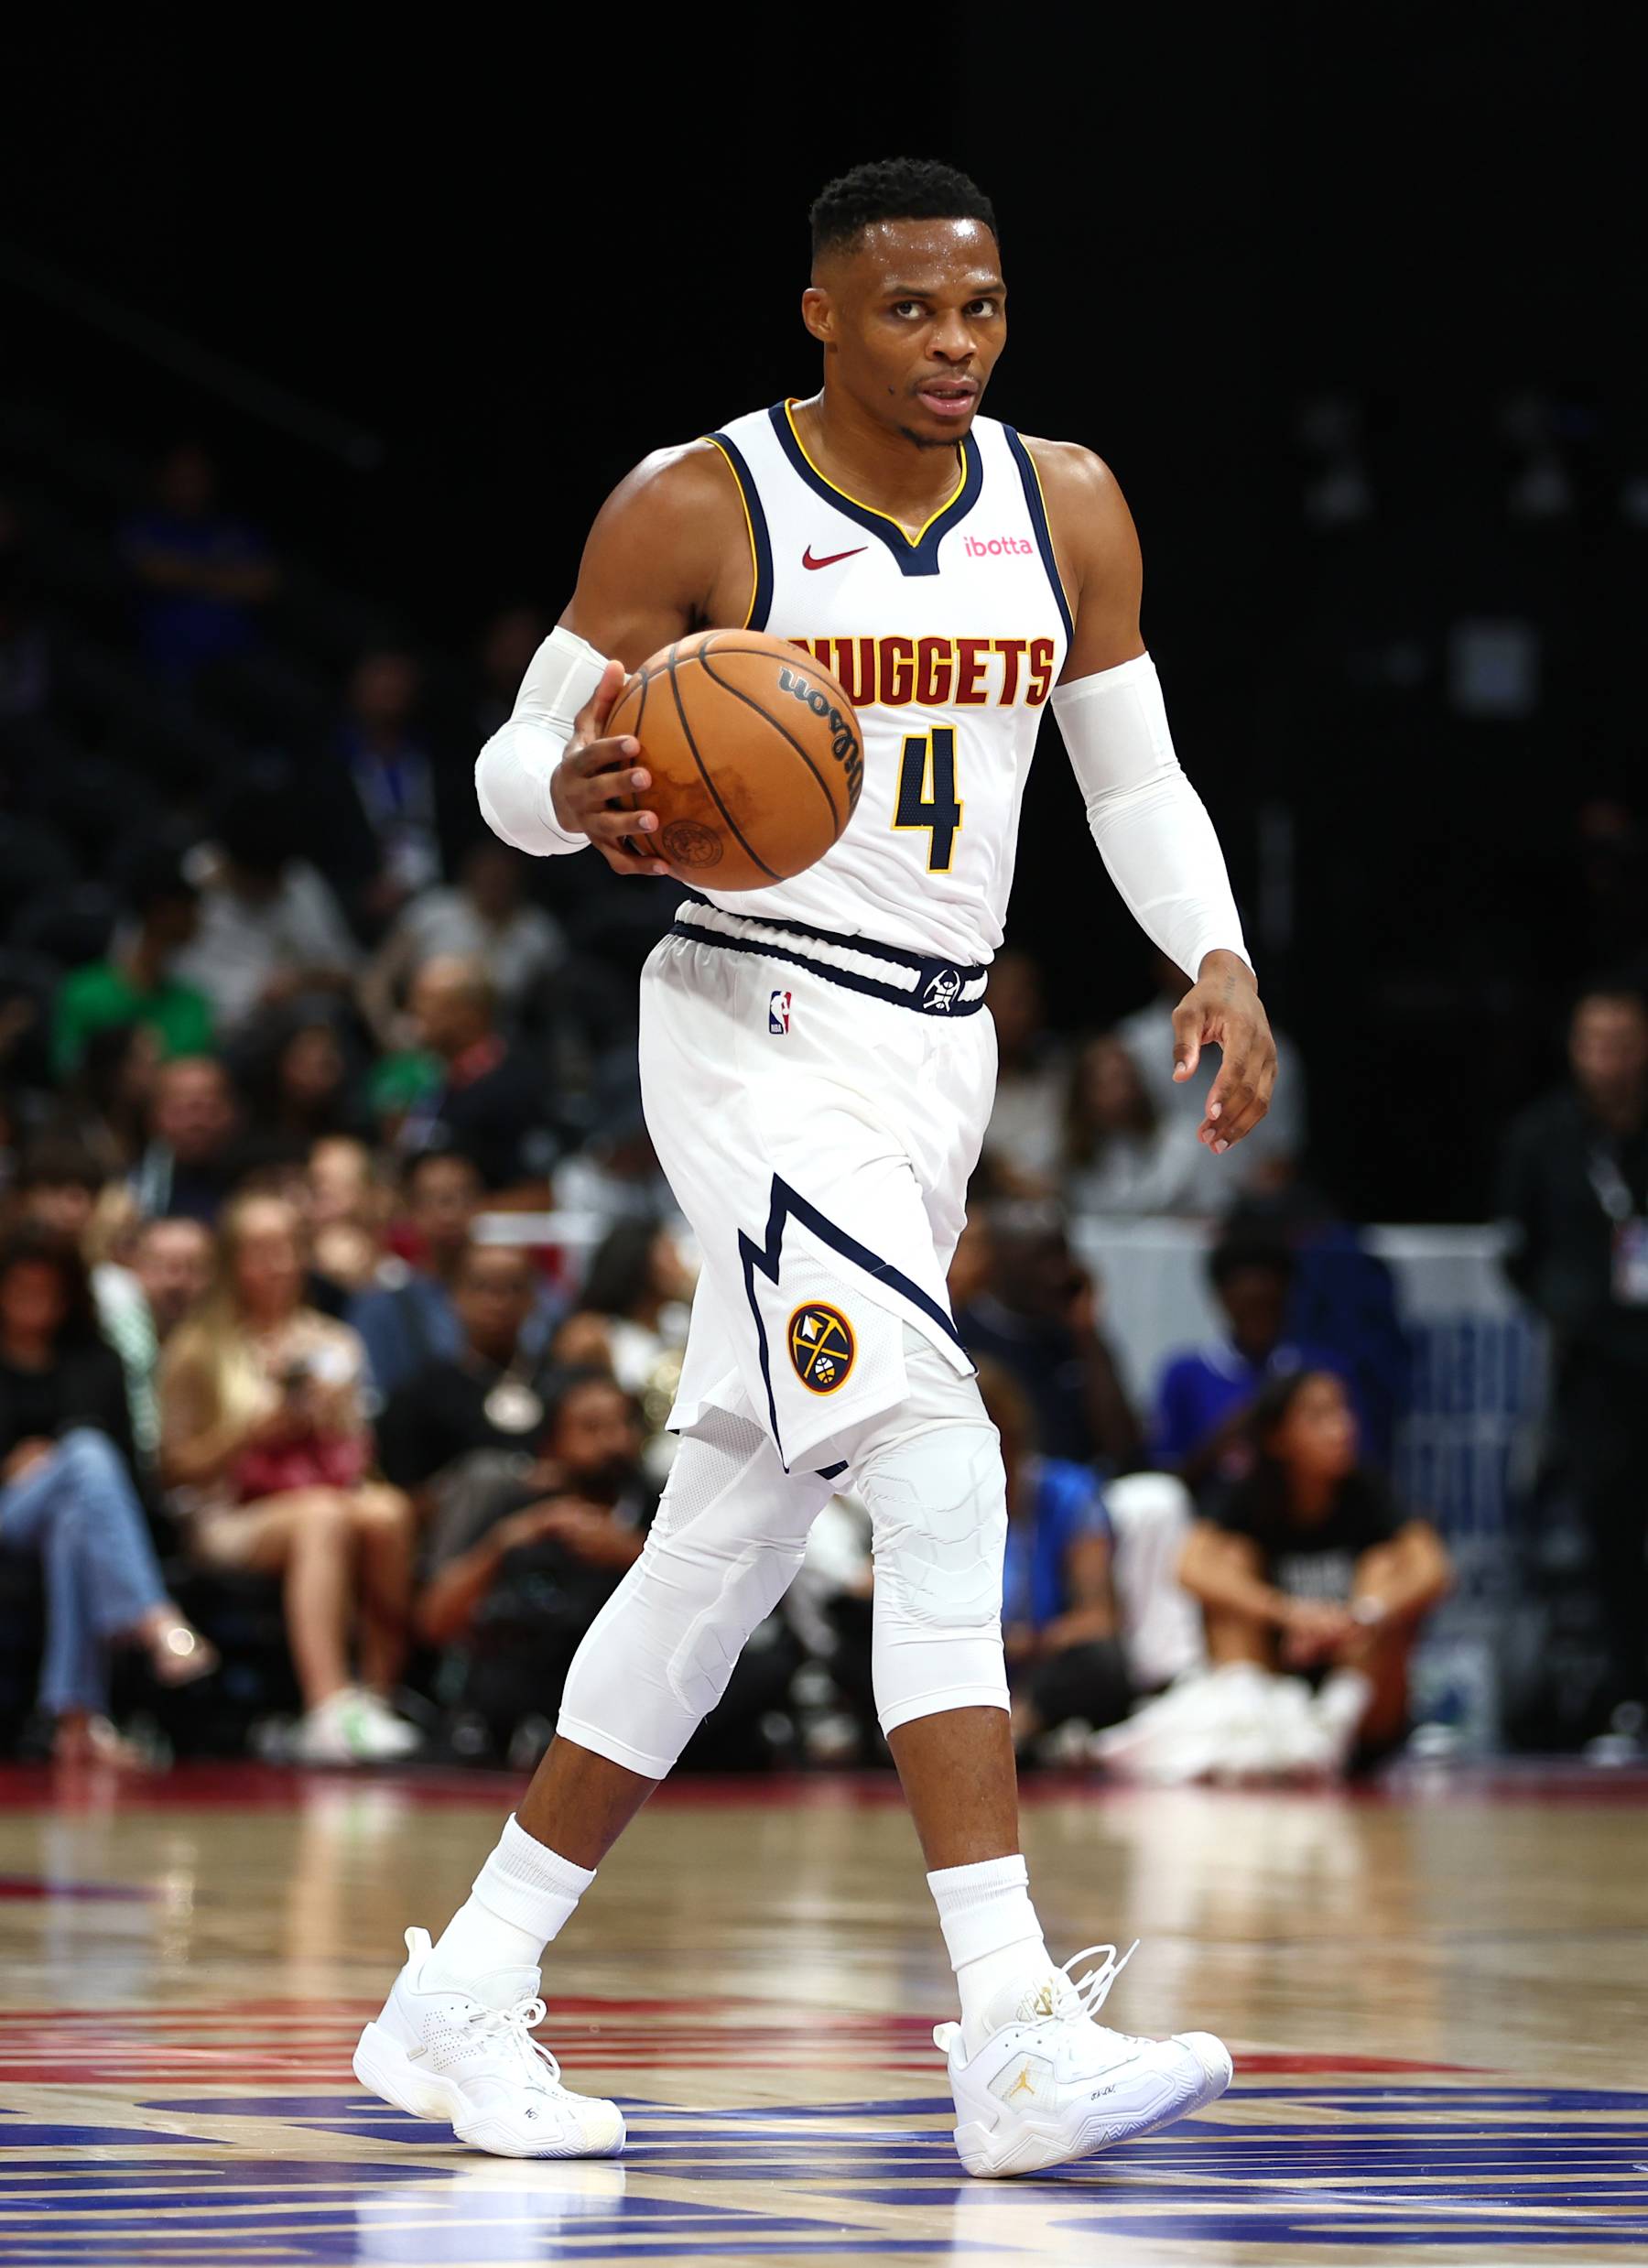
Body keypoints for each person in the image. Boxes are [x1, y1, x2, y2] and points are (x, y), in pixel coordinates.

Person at [355, 156, 1275, 2176]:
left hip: (938, 1052)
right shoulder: (699, 502)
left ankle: (463, 1986)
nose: (956, 348)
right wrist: (569, 783)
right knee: (939, 1464)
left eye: (983, 312)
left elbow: (1133, 770)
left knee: (732, 1536)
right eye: (913, 313)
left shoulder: (1074, 502)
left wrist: (1213, 949)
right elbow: (515, 762)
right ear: (824, 316)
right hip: (756, 1018)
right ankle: (1010, 2021)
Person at [157, 1192, 420, 1763]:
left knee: (388, 1512)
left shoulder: (334, 1342)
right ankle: (327, 1706)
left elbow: (360, 1453)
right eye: (259, 1250)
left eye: (287, 1247)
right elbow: (173, 1467)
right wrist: (252, 1434)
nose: (276, 1262)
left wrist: (327, 1420)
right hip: (227, 1511)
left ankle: (374, 1698)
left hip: (319, 1489)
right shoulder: (197, 1349)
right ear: (231, 1263)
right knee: (323, 1516)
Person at [0, 1226, 215, 1765]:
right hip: (7, 1509)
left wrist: (59, 1464)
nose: (34, 1303)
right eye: (20, 1289)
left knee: (78, 1504)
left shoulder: (96, 1360)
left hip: (73, 1512)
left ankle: (75, 1722)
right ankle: (156, 1620)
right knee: (86, 1452)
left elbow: (125, 1469)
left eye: (47, 1290)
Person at [1498, 980, 1648, 1742]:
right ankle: (1626, 1696)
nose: (1609, 1059)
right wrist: (1565, 1306)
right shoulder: (1546, 1137)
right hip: (1593, 1365)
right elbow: (1517, 1251)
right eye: (1595, 1042)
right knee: (1609, 1530)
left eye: (1623, 1042)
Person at [1177, 1369, 1450, 1768]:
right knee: (1230, 1560)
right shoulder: (1248, 1493)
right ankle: (1251, 1719)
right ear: (1278, 1437)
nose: (1342, 1428)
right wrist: (1289, 1613)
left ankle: (1335, 1723)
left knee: (1385, 1564)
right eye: (1320, 1417)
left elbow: (1435, 1569)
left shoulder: (1367, 1490)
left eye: (1343, 1412)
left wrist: (1361, 1617)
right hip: (1276, 1681)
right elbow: (1188, 1568)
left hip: (1357, 1690)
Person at [416, 1369, 651, 1760]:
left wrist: (629, 1552)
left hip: (633, 1699)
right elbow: (433, 1622)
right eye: (591, 1428)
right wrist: (504, 1543)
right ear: (551, 1446)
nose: (612, 1442)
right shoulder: (520, 1515)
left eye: (621, 1425)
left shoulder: (663, 1509)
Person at [975, 1362, 1132, 1759]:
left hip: (1041, 1664)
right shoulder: (934, 1502)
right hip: (966, 1663)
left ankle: (1024, 1726)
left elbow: (1100, 1619)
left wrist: (1037, 1640)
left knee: (1101, 1662)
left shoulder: (1066, 1494)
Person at [1152, 1232, 1348, 1498]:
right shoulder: (1185, 1374)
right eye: (1246, 1306)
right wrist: (1243, 1425)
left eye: (1268, 1305)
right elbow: (1166, 1480)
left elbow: (1351, 1464)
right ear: (1221, 1298)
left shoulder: (1319, 1371)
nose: (1257, 1319)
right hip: (1210, 1517)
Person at [952, 1205, 1142, 1469]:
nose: (1056, 1274)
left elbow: (1123, 1449)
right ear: (996, 1264)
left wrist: (1087, 1335)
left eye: (1062, 1257)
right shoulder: (960, 1333)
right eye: (1037, 1260)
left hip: (1078, 1491)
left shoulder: (1076, 1336)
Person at [1116, 947, 1307, 1203]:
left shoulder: (1271, 1050)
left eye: (1218, 962)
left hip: (1238, 1216)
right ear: (1162, 963)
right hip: (1146, 1209)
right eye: (1189, 957)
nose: (1205, 976)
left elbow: (1279, 1160)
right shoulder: (1131, 1045)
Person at [377, 1242, 562, 1502]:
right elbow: (406, 1495)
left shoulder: (561, 1383)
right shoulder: (421, 1393)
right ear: (454, 1297)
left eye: (514, 1288)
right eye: (482, 1288)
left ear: (533, 1300)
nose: (499, 1302)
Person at [171, 781, 360, 1037]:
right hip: (211, 1034)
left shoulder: (299, 881)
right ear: (231, 863)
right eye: (264, 880)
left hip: (293, 1034)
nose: (277, 887)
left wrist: (303, 980)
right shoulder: (187, 884)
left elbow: (349, 971)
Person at [361, 838, 567, 1047]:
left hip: (500, 1048)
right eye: (489, 872)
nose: (496, 880)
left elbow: (560, 1007)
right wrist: (388, 1032)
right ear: (472, 871)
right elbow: (376, 979)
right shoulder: (433, 911)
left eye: (504, 874)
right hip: (421, 1042)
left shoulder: (538, 931)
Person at [120, 444, 276, 690]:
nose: (190, 487)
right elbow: (154, 572)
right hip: (166, 661)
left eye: (196, 478)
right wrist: (227, 578)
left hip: (238, 661)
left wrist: (185, 572)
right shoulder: (146, 525)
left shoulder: (233, 530)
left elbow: (262, 585)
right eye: (181, 478)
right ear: (163, 479)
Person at [51, 844, 213, 1080]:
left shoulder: (192, 1005)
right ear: (163, 910)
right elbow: (68, 1071)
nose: (200, 919)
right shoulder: (83, 992)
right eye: (190, 908)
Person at [396, 957, 547, 1190]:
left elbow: (538, 1191)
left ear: (469, 1014)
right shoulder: (438, 1079)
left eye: (427, 1001)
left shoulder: (514, 1088)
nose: (413, 1010)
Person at [348, 1150, 488, 1401]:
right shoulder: (380, 1306)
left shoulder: (515, 1289)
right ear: (411, 1211)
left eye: (462, 1196)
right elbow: (374, 1397)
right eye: (437, 1200)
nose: (450, 1212)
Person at [1061, 1030, 1208, 1216]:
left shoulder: (1180, 1140)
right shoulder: (1066, 1149)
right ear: (1082, 1094)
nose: (1119, 1093)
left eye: (1123, 1079)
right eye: (1103, 1084)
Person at [978, 950, 1068, 1190]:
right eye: (1005, 996)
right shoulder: (951, 1079)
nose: (1014, 1012)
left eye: (1023, 999)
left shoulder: (1061, 1077)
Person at [128, 1055, 244, 1225]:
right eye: (180, 1110)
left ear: (233, 1113)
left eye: (208, 1107)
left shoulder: (260, 1180)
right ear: (152, 1117)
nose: (196, 1122)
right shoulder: (131, 1192)